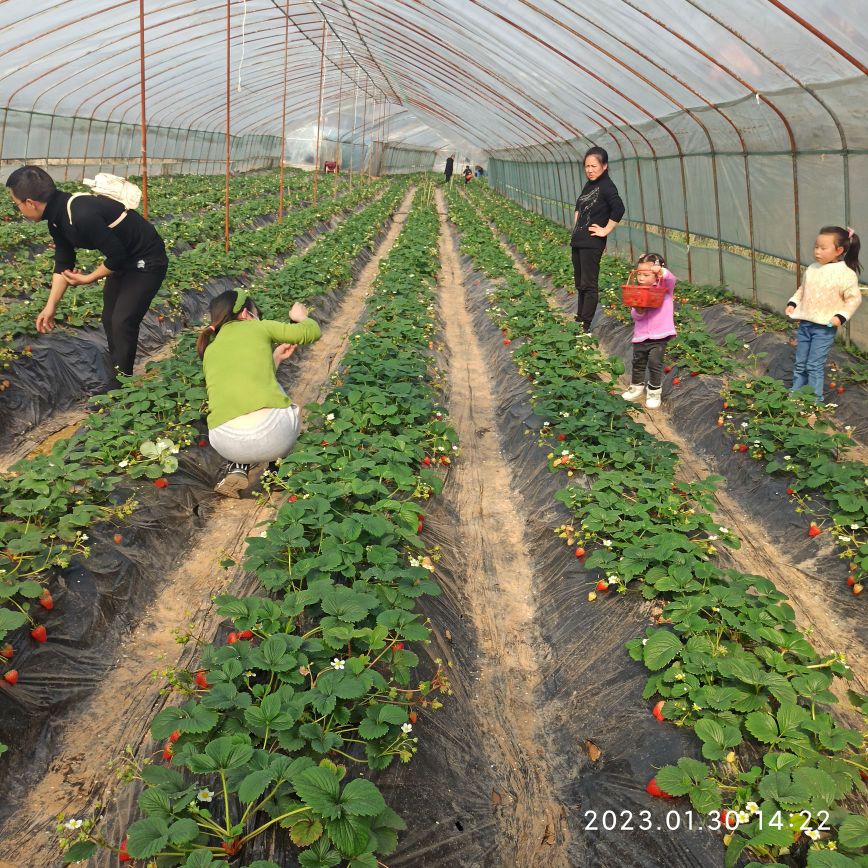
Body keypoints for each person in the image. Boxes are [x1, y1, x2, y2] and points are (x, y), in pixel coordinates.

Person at [5, 165, 168, 384]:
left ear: (30, 203)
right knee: (109, 319)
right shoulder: (56, 218)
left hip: (146, 260)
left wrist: (89, 278)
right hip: (122, 261)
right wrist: (50, 306)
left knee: (122, 321)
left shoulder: (81, 214)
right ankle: (119, 381)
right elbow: (64, 262)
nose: (19, 211)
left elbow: (116, 255)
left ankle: (123, 385)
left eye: (16, 205)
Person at [197, 289, 322, 497]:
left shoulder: (210, 348)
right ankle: (276, 470)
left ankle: (237, 467)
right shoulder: (258, 327)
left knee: (236, 400)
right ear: (246, 314)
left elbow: (248, 381)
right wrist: (302, 318)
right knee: (281, 398)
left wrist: (276, 358)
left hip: (225, 441)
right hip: (272, 434)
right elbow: (312, 332)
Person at [785, 226, 862, 402]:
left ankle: (813, 402)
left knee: (813, 365)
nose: (817, 251)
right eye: (816, 247)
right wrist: (793, 303)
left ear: (839, 250)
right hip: (806, 324)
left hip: (824, 328)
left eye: (823, 248)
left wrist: (840, 316)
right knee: (800, 363)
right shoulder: (812, 269)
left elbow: (854, 299)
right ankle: (795, 397)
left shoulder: (846, 274)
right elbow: (803, 290)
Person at [570, 146, 625, 333]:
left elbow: (619, 208)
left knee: (589, 284)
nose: (590, 170)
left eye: (594, 166)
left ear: (604, 166)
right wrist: (577, 226)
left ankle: (584, 324)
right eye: (587, 166)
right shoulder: (590, 184)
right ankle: (579, 318)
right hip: (579, 240)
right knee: (580, 283)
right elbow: (579, 205)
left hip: (592, 243)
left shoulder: (607, 186)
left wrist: (605, 230)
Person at [620, 253, 677, 410]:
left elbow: (672, 279)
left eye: (646, 274)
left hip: (660, 335)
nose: (641, 278)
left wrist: (662, 271)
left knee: (654, 363)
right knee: (638, 361)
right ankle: (636, 387)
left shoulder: (665, 289)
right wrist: (638, 310)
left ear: (657, 273)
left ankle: (653, 392)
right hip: (641, 335)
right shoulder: (638, 291)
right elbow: (635, 316)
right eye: (639, 274)